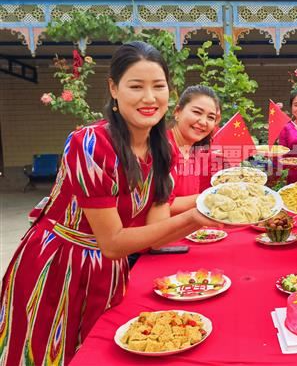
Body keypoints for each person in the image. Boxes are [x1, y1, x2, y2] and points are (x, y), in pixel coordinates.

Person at [0, 41, 217, 365]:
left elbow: (156, 234)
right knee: (49, 353)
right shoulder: (90, 143)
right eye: (136, 86)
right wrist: (198, 215)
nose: (149, 97)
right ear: (114, 89)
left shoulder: (161, 152)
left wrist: (213, 209)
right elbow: (112, 242)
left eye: (158, 86)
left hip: (110, 270)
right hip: (61, 265)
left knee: (97, 352)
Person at [168, 85, 221, 215]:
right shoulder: (163, 149)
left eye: (210, 117)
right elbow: (157, 206)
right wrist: (207, 198)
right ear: (177, 112)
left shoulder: (195, 151)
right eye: (197, 112)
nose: (203, 122)